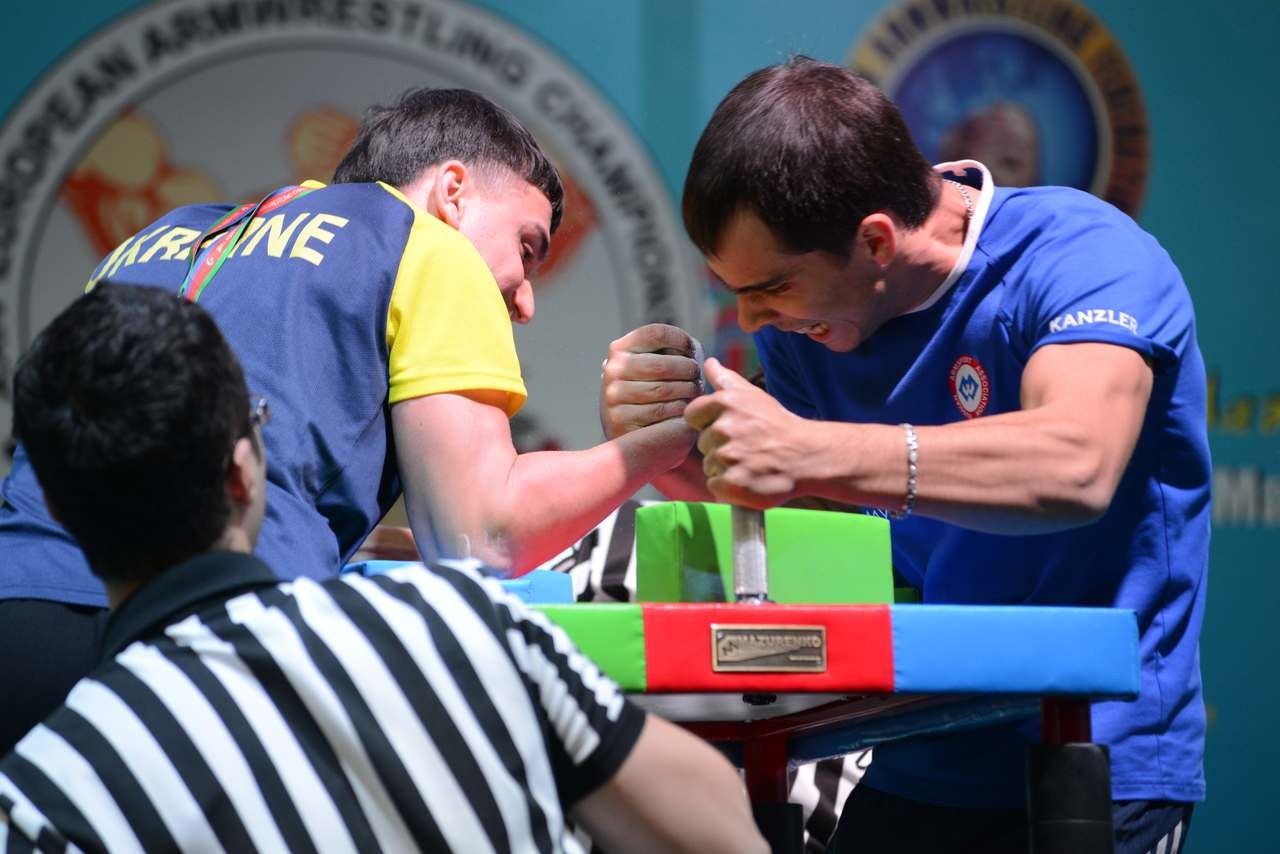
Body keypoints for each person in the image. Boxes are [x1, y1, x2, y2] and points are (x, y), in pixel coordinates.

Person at [600, 57, 1207, 854]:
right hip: (914, 745)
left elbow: (1076, 462)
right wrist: (685, 464)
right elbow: (835, 515)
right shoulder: (811, 335)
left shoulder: (1082, 256)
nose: (749, 322)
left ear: (877, 241)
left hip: (1095, 755)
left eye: (771, 289)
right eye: (733, 291)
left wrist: (805, 446)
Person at [0, 88, 695, 753]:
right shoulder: (424, 243)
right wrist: (669, 440)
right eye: (526, 247)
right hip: (205, 642)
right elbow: (483, 532)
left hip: (18, 614)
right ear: (452, 193)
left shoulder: (155, 238)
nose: (524, 299)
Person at [0, 283, 764, 854]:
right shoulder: (456, 623)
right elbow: (715, 828)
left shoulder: (44, 794)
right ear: (245, 470)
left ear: (59, 513)